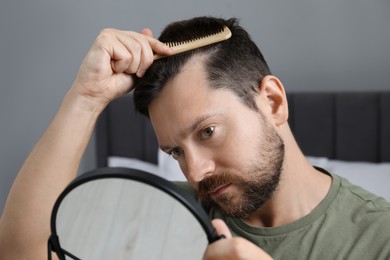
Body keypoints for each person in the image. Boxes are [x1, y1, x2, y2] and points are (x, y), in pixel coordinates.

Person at [0, 16, 389, 260]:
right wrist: (86, 99)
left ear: (271, 101)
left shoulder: (378, 239)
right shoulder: (162, 213)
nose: (196, 172)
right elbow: (22, 254)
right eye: (175, 152)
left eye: (208, 132)